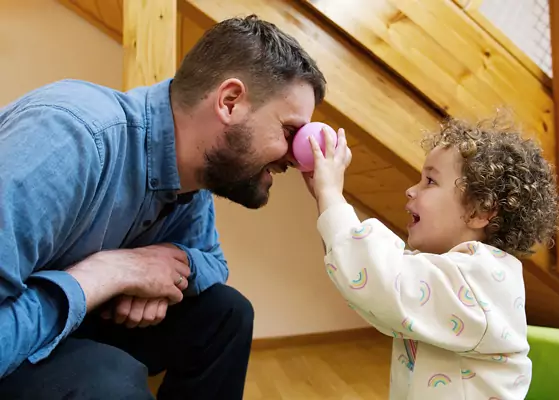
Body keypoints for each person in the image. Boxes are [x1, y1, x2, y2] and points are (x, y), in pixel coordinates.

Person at [0, 14, 326, 400]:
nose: (296, 156)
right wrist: (109, 273)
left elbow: (214, 263)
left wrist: (166, 263)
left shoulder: (191, 176)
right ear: (230, 101)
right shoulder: (69, 140)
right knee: (109, 381)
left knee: (227, 314)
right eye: (290, 132)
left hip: (61, 320)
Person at [304, 116, 559, 399]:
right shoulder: (450, 272)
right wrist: (326, 203)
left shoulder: (478, 281)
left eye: (430, 180)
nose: (411, 189)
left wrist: (331, 194)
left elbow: (379, 280)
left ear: (479, 212)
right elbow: (364, 284)